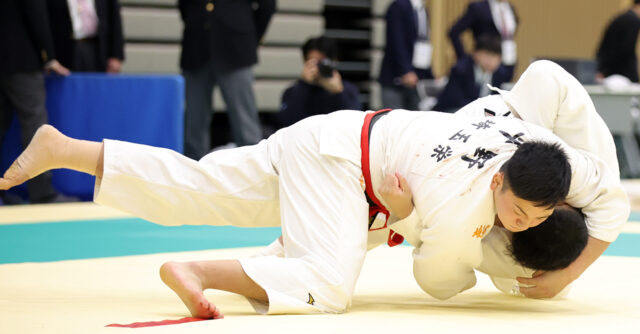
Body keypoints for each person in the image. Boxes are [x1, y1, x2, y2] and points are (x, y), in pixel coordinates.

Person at [0, 95, 626, 318]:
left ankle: (71, 149)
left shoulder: (551, 160)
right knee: (328, 283)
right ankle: (200, 272)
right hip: (339, 166)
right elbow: (436, 280)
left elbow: (612, 204)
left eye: (540, 216)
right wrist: (413, 226)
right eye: (517, 212)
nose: (525, 222)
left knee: (202, 189)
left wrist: (570, 270)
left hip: (333, 139)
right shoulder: (463, 208)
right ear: (496, 185)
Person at [378, 59, 628, 299]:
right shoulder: (585, 172)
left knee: (541, 285)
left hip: (465, 158)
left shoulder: (513, 257)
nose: (521, 222)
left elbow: (439, 271)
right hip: (497, 133)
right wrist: (570, 274)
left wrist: (405, 215)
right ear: (562, 202)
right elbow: (546, 74)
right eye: (532, 214)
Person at [0, 0, 75, 205]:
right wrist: (48, 56)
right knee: (34, 123)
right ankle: (42, 192)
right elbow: (35, 12)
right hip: (21, 57)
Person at [180, 0, 276, 160]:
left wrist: (251, 39)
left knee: (244, 120)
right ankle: (193, 172)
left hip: (235, 46)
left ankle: (254, 168)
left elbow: (267, 5)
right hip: (196, 45)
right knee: (193, 121)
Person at [276, 36, 361, 129]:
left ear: (335, 61)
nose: (319, 68)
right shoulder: (293, 92)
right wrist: (304, 85)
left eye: (323, 63)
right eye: (314, 63)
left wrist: (339, 93)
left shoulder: (348, 90)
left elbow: (355, 125)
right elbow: (286, 125)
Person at [379, 0, 434, 110]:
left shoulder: (423, 10)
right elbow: (396, 41)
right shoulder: (398, 6)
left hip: (417, 79)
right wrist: (405, 71)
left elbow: (423, 43)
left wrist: (430, 76)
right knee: (394, 119)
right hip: (396, 78)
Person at [433, 35, 510, 112]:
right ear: (475, 54)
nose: (490, 60)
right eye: (487, 54)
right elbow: (455, 100)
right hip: (451, 112)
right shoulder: (461, 69)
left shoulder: (500, 74)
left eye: (494, 56)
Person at [46, 0, 125, 73]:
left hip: (96, 47)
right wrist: (49, 57)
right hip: (64, 49)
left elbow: (114, 18)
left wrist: (116, 55)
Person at [449, 0, 518, 82]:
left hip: (508, 61)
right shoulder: (479, 8)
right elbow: (454, 32)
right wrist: (463, 59)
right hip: (485, 61)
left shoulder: (510, 8)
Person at [595, 0, 640, 83]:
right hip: (621, 75)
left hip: (610, 71)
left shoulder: (621, 18)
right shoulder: (633, 21)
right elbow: (626, 50)